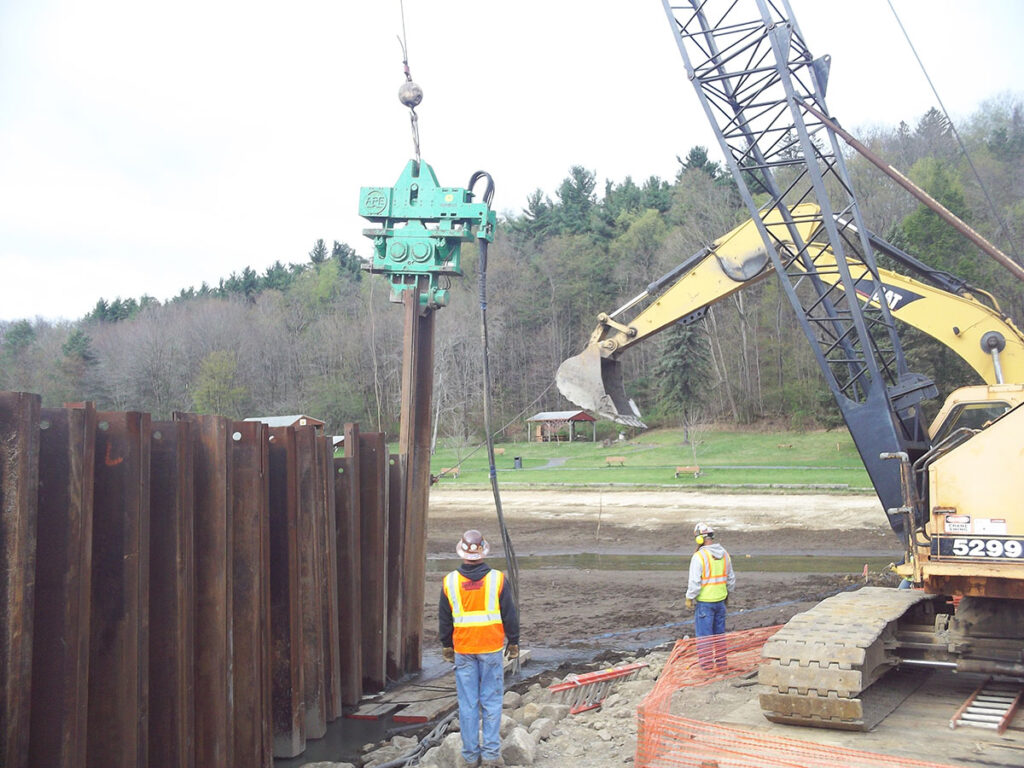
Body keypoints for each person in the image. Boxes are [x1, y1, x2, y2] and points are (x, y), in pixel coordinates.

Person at [439, 529, 520, 768]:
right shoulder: (497, 579)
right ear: (483, 551)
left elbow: (444, 619)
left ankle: (470, 756)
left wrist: (446, 645)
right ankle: (492, 756)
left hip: (464, 649)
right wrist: (513, 641)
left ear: (462, 552)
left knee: (468, 703)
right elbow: (510, 614)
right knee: (492, 701)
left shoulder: (450, 581)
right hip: (491, 648)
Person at [685, 521, 735, 669]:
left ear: (700, 538)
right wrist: (727, 594)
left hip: (705, 604)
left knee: (705, 637)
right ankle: (721, 664)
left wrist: (689, 597)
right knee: (719, 636)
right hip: (720, 602)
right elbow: (731, 579)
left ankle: (706, 667)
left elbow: (694, 582)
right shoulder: (724, 554)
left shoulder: (699, 557)